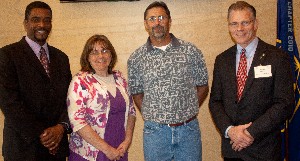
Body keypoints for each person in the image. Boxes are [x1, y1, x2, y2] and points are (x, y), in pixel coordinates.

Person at [209, 1, 294, 161]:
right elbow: (215, 101)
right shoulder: (222, 60)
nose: (239, 29)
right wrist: (230, 131)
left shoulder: (277, 57)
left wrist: (250, 133)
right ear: (229, 27)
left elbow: (284, 103)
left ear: (255, 24)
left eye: (245, 22)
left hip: (264, 149)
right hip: (232, 149)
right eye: (234, 23)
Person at [127, 1, 209, 161]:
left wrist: (186, 109)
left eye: (161, 17)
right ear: (145, 24)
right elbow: (137, 93)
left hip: (188, 132)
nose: (157, 22)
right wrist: (155, 115)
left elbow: (203, 86)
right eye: (152, 19)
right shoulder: (136, 58)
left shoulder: (190, 51)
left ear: (169, 21)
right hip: (155, 134)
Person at [0, 1, 72, 161]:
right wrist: (44, 134)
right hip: (23, 149)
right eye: (36, 19)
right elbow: (9, 103)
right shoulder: (7, 55)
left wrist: (60, 128)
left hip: (56, 149)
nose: (42, 24)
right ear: (26, 23)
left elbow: (70, 100)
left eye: (47, 20)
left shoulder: (61, 58)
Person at [67, 34, 136, 161]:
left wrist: (127, 141)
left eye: (105, 50)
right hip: (90, 154)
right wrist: (107, 149)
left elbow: (131, 112)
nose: (101, 56)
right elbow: (77, 121)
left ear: (111, 54)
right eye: (94, 52)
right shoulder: (80, 81)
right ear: (87, 57)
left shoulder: (120, 78)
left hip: (119, 150)